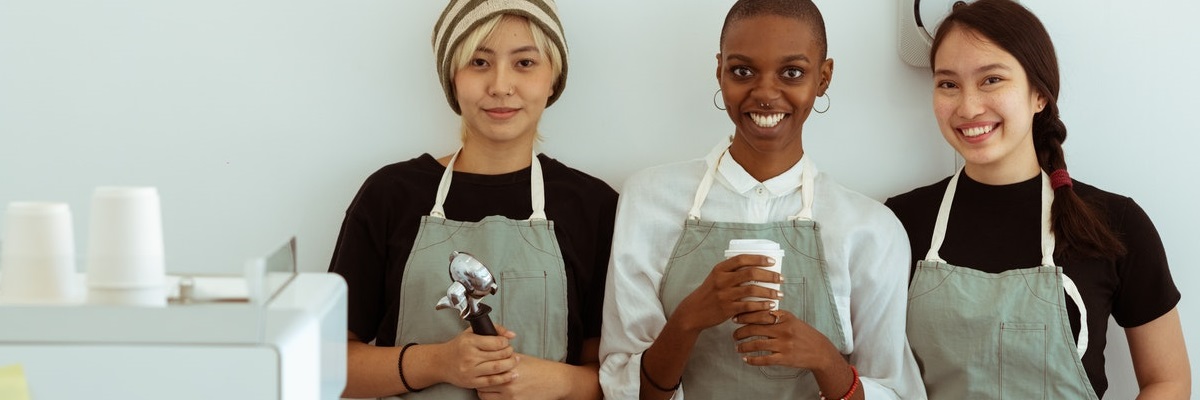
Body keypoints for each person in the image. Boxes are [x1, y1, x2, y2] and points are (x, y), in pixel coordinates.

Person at [597, 1, 925, 399]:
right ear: (720, 71)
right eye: (742, 71)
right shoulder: (648, 200)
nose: (766, 92)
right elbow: (619, 386)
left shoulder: (871, 230)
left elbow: (895, 392)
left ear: (823, 78)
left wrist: (824, 358)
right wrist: (688, 320)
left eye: (792, 72)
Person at [884, 0, 1191, 398]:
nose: (968, 106)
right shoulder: (899, 222)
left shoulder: (1115, 221)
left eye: (991, 79)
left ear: (1039, 95)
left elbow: (1167, 380)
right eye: (948, 84)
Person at [328, 1, 617, 398]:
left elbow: (622, 377)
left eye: (525, 63)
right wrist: (439, 362)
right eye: (479, 62)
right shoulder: (389, 195)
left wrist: (559, 382)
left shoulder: (593, 206)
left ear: (553, 78)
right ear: (452, 77)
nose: (500, 85)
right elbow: (325, 365)